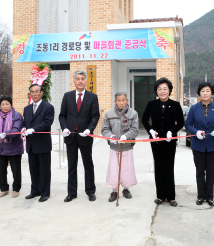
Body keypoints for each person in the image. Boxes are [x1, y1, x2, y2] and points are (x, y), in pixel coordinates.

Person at [142, 77, 184, 207]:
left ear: (169, 90)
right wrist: (151, 131)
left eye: (165, 89)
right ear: (156, 91)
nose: (162, 91)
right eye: (159, 89)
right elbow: (144, 120)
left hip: (170, 141)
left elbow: (181, 122)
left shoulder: (175, 105)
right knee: (159, 167)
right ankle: (160, 195)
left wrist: (172, 131)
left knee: (169, 166)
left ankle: (171, 196)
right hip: (156, 141)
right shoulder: (151, 104)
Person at [59, 70, 100, 202]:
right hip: (70, 136)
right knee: (72, 165)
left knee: (88, 165)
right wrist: (64, 127)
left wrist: (89, 129)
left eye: (83, 78)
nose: (80, 81)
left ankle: (90, 191)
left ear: (86, 80)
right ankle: (72, 192)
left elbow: (95, 116)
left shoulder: (92, 97)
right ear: (74, 81)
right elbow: (62, 115)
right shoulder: (67, 96)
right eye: (78, 78)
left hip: (85, 136)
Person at [185, 82, 214, 207]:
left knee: (211, 172)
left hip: (212, 144)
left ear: (211, 93)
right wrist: (195, 132)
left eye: (207, 91)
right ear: (199, 93)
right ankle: (201, 196)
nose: (205, 93)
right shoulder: (194, 108)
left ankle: (210, 197)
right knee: (200, 172)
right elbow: (188, 124)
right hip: (198, 144)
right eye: (202, 91)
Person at [101, 91, 139, 202]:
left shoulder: (133, 114)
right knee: (113, 169)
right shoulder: (109, 114)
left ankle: (126, 189)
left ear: (127, 101)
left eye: (123, 100)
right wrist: (110, 136)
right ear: (115, 101)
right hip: (114, 147)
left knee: (126, 169)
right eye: (119, 100)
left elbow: (135, 130)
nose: (121, 103)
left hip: (127, 146)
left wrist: (126, 136)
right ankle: (114, 191)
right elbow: (105, 129)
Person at [21, 85, 55, 202]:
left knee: (44, 170)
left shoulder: (48, 107)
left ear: (41, 93)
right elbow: (24, 122)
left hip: (42, 143)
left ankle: (45, 192)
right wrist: (23, 129)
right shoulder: (27, 108)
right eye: (32, 92)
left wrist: (34, 129)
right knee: (33, 169)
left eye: (37, 92)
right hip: (31, 144)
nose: (34, 94)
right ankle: (35, 190)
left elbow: (47, 123)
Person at [0, 96, 24, 199]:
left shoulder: (17, 115)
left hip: (14, 147)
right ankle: (4, 189)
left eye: (7, 104)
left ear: (11, 104)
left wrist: (6, 133)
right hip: (2, 147)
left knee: (16, 170)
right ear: (0, 105)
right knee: (1, 171)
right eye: (3, 104)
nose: (5, 106)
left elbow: (16, 129)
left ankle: (16, 189)